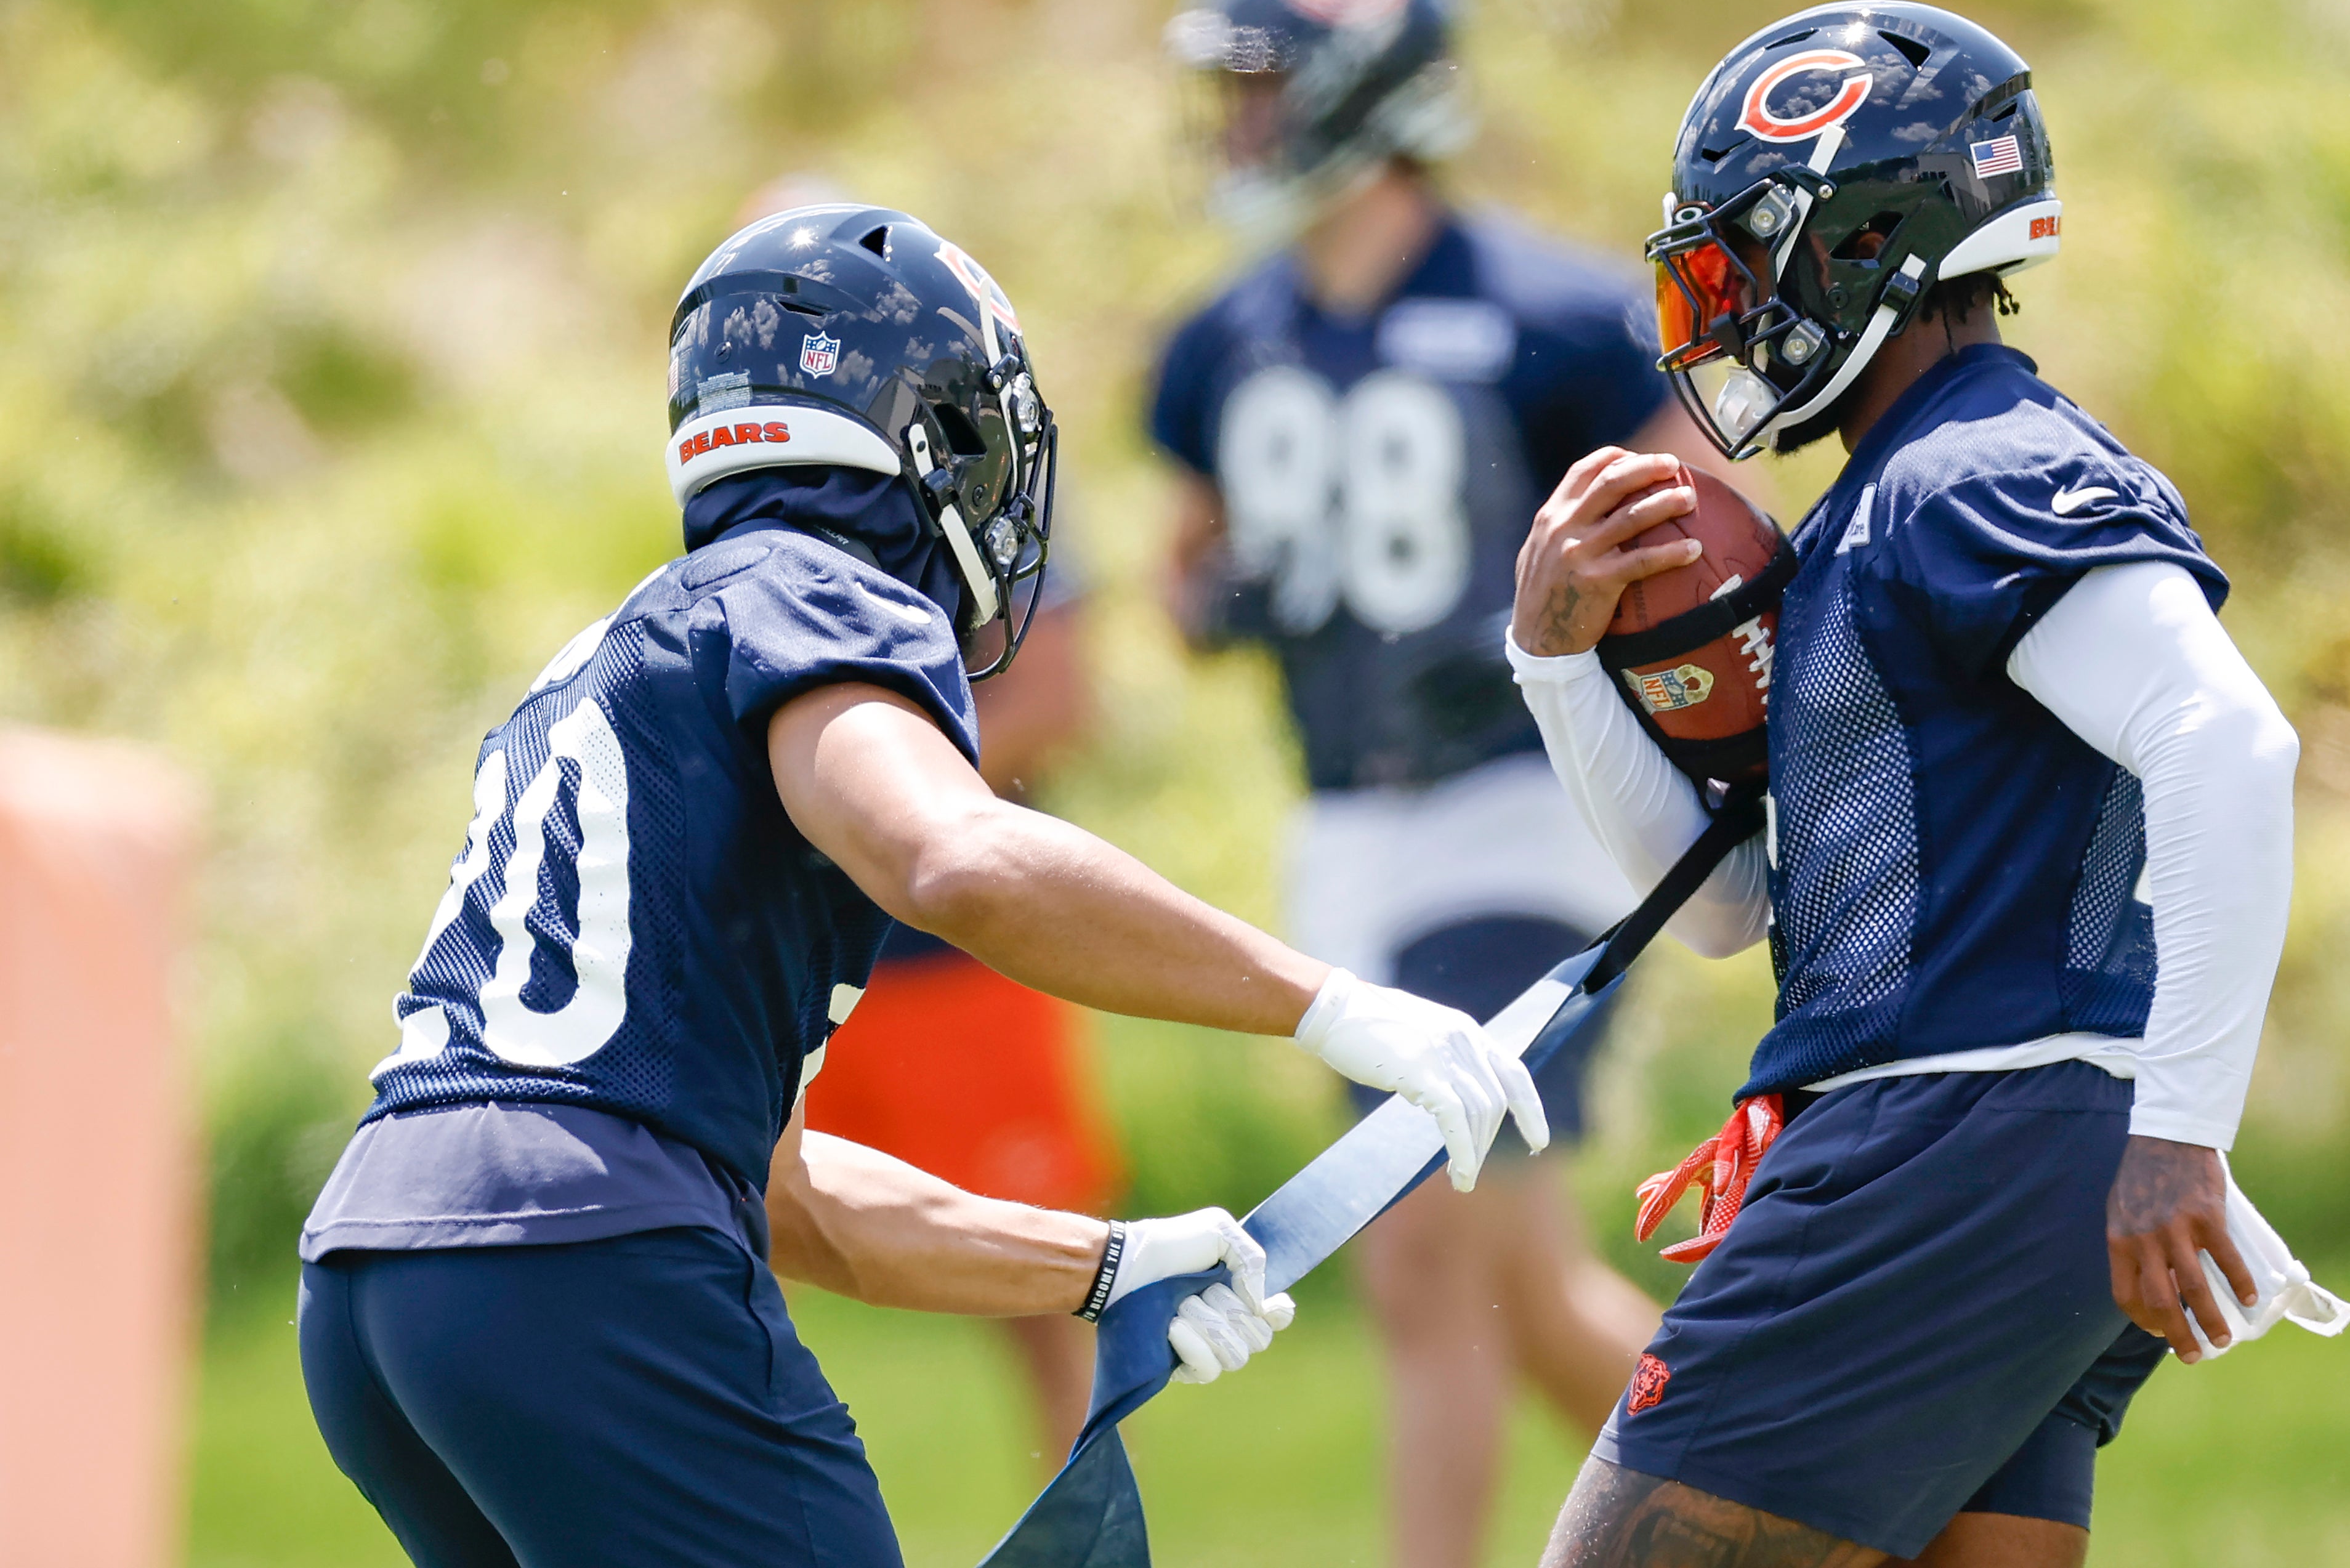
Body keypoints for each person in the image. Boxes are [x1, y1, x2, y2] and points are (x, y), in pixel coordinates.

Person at [292, 203, 1547, 1568]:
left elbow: (785, 1196)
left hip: (382, 1277)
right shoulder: (818, 592)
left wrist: (1102, 1265)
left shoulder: (637, 640)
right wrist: (1327, 1003)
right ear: (928, 433)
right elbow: (950, 854)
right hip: (585, 1252)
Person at [1509, 1, 2303, 1566]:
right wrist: (1552, 660)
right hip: (1998, 1143)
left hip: (1952, 1134)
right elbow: (1730, 908)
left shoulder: (1973, 471)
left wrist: (2182, 1127)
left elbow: (2229, 746)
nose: (1716, 308)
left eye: (1742, 262)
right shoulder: (1889, 497)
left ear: (1863, 243)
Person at [1149, 0, 1734, 1563]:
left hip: (1521, 809)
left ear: (1359, 91)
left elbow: (1706, 546)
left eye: (1261, 86)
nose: (1238, 121)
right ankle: (1818, 1519)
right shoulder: (1228, 341)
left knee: (1420, 1255)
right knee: (1527, 1292)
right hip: (1346, 830)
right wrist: (1219, 593)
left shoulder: (1546, 313)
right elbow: (1183, 576)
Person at [806, 575, 1125, 1474]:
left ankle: (1088, 1541)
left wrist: (858, 802)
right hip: (795, 956)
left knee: (1041, 1285)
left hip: (959, 958)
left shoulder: (985, 462)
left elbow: (1056, 699)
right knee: (712, 1261)